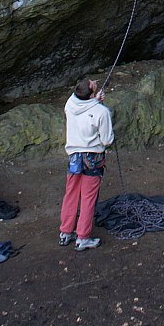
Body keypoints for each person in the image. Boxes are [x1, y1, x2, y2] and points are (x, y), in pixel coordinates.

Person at [59, 77, 114, 251]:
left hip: (74, 157)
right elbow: (107, 140)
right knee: (88, 198)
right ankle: (82, 237)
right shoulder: (101, 112)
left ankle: (66, 232)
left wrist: (94, 101)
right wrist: (99, 106)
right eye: (93, 84)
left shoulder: (70, 103)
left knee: (71, 194)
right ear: (90, 93)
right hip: (93, 159)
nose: (94, 81)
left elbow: (82, 104)